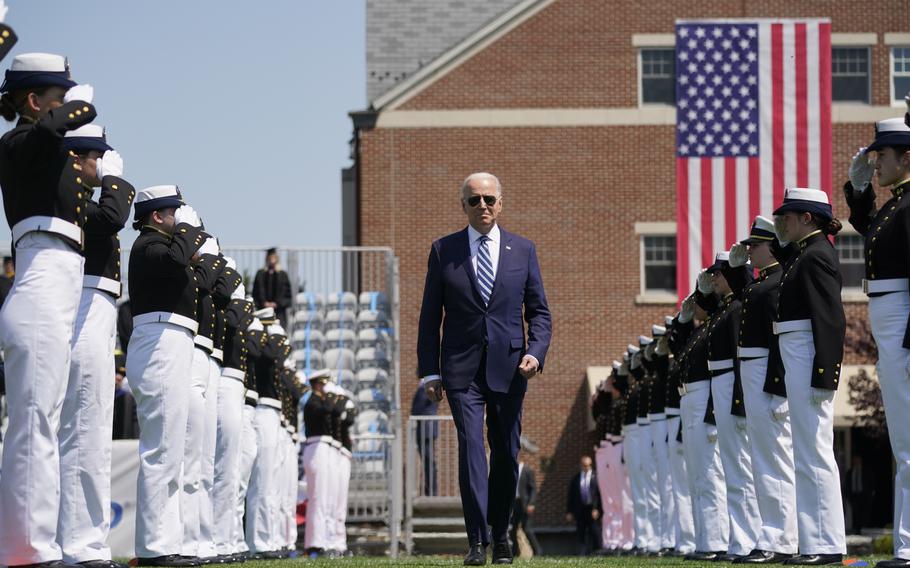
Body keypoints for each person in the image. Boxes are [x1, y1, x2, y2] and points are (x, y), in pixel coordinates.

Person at [417, 172, 552, 566]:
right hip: (460, 371)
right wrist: (429, 370)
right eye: (474, 200)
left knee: (506, 454)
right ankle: (477, 541)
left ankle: (503, 533)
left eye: (489, 199)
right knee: (472, 447)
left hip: (511, 369)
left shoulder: (523, 250)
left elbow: (539, 312)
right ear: (463, 206)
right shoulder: (444, 250)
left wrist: (537, 353)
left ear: (501, 202)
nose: (483, 206)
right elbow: (430, 316)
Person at [0, 52, 97, 568]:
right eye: (58, 97)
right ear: (34, 101)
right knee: (33, 424)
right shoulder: (20, 141)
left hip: (58, 286)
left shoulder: (44, 146)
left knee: (45, 421)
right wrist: (80, 104)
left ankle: (38, 546)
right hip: (39, 283)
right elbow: (62, 124)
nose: (68, 105)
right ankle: (28, 550)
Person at [56, 124, 134, 568]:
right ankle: (79, 547)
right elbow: (111, 219)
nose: (101, 165)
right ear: (79, 158)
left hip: (96, 303)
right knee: (83, 426)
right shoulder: (75, 191)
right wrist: (114, 181)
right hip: (83, 301)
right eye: (96, 158)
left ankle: (86, 543)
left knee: (92, 430)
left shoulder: (85, 191)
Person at [126, 185, 207, 567]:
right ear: (157, 216)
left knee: (171, 452)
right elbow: (176, 261)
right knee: (161, 451)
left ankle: (166, 542)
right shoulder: (149, 245)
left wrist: (192, 235)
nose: (180, 218)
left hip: (171, 341)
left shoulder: (164, 245)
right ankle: (154, 548)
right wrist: (189, 232)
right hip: (159, 343)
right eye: (174, 212)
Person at [844, 118, 910, 568]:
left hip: (903, 317)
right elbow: (873, 231)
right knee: (904, 444)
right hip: (889, 316)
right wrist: (859, 190)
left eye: (881, 156)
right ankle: (906, 545)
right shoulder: (894, 207)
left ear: (907, 157)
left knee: (909, 445)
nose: (875, 163)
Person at [771, 187, 846, 565]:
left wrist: (824, 373)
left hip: (808, 355)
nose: (781, 221)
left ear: (807, 218)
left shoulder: (816, 255)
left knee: (814, 452)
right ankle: (815, 541)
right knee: (805, 451)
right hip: (797, 352)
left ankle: (826, 544)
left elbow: (830, 319)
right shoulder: (805, 253)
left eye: (788, 215)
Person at [728, 217, 798, 564]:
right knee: (762, 458)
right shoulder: (762, 284)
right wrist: (738, 272)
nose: (749, 251)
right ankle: (772, 532)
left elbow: (778, 339)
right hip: (753, 369)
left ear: (772, 245)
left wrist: (778, 387)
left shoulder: (777, 284)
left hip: (767, 372)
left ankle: (782, 537)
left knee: (774, 459)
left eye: (755, 245)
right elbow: (744, 301)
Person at [704, 253, 761, 562]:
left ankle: (748, 539)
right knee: (732, 469)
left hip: (731, 382)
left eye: (719, 274)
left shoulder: (737, 308)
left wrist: (739, 401)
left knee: (741, 468)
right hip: (720, 381)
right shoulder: (724, 309)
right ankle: (738, 541)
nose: (714, 279)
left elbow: (741, 359)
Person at [677, 283, 730, 561]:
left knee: (711, 475)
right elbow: (677, 355)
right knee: (698, 477)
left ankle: (718, 540)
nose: (693, 306)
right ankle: (705, 540)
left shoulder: (712, 329)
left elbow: (714, 379)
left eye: (696, 302)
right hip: (690, 400)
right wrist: (683, 320)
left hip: (704, 402)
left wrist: (712, 414)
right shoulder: (699, 332)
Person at [302, 369, 335, 557]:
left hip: (321, 448)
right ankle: (314, 543)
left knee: (321, 498)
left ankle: (318, 541)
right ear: (316, 385)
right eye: (323, 385)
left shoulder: (317, 401)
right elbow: (329, 409)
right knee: (318, 499)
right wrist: (329, 395)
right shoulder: (314, 402)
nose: (324, 388)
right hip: (316, 448)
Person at [566, 455, 602, 556]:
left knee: (595, 532)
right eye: (585, 465)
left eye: (589, 465)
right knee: (580, 533)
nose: (587, 467)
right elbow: (571, 496)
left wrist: (597, 509)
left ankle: (597, 553)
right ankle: (581, 555)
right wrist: (569, 511)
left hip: (592, 510)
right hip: (580, 510)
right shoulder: (576, 478)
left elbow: (599, 495)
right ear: (581, 465)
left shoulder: (596, 477)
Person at [510, 454, 542, 557]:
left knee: (526, 528)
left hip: (525, 504)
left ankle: (538, 551)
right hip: (515, 504)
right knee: (513, 529)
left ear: (522, 457)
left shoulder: (527, 470)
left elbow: (533, 488)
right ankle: (515, 552)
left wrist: (531, 504)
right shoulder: (512, 470)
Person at [410, 382, 439, 496]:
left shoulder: (425, 389)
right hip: (427, 430)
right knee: (428, 462)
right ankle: (430, 491)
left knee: (429, 463)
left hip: (426, 430)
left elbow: (416, 410)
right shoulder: (429, 387)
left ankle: (431, 492)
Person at [252, 247, 292, 327]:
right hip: (263, 311)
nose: (271, 261)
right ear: (267, 259)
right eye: (270, 258)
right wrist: (264, 303)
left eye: (273, 258)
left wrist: (277, 304)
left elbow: (288, 297)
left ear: (277, 259)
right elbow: (255, 293)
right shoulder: (260, 274)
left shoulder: (282, 275)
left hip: (279, 313)